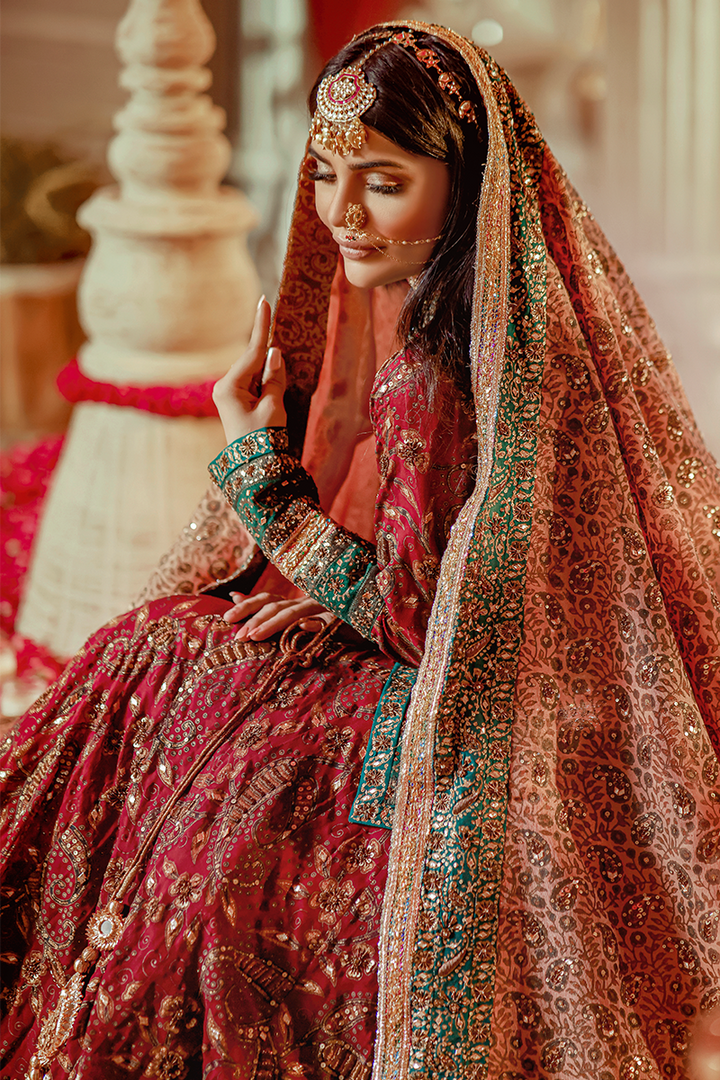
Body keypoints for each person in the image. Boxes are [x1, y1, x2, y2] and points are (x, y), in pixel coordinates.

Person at [1, 19, 720, 1080]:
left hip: (450, 707)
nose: (341, 212)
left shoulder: (438, 358)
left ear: (462, 185)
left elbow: (423, 623)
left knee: (167, 693)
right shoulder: (480, 312)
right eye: (328, 172)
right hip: (457, 658)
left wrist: (259, 468)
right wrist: (326, 575)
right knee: (155, 654)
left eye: (382, 181)